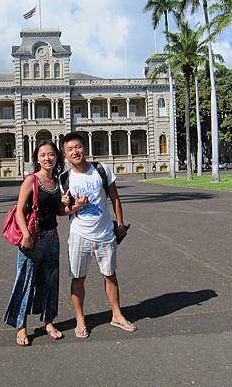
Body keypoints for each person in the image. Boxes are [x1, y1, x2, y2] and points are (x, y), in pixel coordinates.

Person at [3, 139, 88, 346]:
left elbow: (59, 212)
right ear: (37, 158)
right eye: (42, 155)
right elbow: (20, 211)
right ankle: (21, 326)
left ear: (56, 157)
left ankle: (48, 321)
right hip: (32, 237)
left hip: (52, 237)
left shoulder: (57, 183)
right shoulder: (31, 180)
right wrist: (25, 234)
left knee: (51, 282)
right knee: (26, 281)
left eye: (51, 154)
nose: (47, 158)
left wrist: (76, 206)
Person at [60, 132, 137, 338]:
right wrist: (77, 204)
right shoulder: (64, 178)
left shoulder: (101, 170)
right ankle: (80, 319)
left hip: (104, 233)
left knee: (110, 275)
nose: (75, 151)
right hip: (79, 235)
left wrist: (120, 224)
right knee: (78, 278)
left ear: (84, 148)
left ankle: (117, 314)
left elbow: (115, 198)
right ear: (65, 154)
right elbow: (63, 211)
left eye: (78, 147)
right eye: (70, 149)